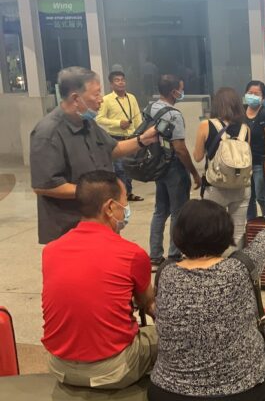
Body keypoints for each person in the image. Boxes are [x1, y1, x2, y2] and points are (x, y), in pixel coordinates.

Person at [148, 200, 265, 401]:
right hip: (237, 389)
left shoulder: (166, 273)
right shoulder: (239, 269)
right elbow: (263, 242)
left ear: (178, 234)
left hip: (166, 391)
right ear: (225, 234)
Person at [42, 170, 156, 389]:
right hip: (113, 370)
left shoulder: (51, 250)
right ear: (110, 207)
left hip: (59, 366)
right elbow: (148, 303)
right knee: (162, 336)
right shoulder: (131, 253)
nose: (126, 209)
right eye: (125, 202)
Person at [30, 66, 158, 245]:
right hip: (70, 229)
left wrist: (143, 140)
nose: (101, 100)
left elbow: (112, 149)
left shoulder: (88, 124)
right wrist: (98, 192)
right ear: (76, 98)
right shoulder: (48, 133)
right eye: (96, 94)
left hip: (101, 223)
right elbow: (44, 186)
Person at [148, 75, 201, 266]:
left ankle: (154, 255)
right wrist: (194, 173)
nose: (182, 92)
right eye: (181, 88)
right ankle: (174, 253)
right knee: (178, 211)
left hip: (157, 165)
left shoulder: (150, 108)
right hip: (173, 168)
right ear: (173, 92)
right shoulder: (173, 114)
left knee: (160, 211)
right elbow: (179, 148)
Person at [192, 87, 251, 248]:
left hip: (215, 186)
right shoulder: (245, 129)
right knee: (238, 231)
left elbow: (197, 157)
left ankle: (213, 266)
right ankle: (236, 267)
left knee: (211, 229)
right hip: (241, 186)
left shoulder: (206, 125)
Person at [96, 71, 144, 202]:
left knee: (130, 168)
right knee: (120, 169)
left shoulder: (131, 98)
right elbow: (99, 119)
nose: (121, 82)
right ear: (111, 84)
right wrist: (118, 123)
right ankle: (121, 195)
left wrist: (140, 133)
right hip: (115, 138)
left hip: (131, 137)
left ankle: (128, 193)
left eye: (122, 79)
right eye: (117, 80)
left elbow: (137, 117)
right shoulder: (106, 100)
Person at [243, 80, 265, 220]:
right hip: (244, 163)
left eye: (256, 94)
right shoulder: (240, 112)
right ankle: (251, 226)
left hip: (260, 163)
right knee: (247, 197)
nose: (252, 96)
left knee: (262, 196)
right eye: (250, 93)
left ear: (263, 97)